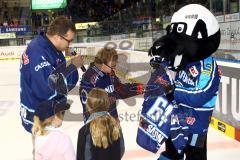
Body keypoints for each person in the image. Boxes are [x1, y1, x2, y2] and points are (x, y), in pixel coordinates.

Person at [20, 16, 83, 156]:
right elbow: (48, 88)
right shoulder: (37, 53)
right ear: (58, 36)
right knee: (47, 152)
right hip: (41, 117)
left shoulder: (52, 48)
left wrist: (70, 64)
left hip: (49, 115)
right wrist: (72, 66)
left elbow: (65, 81)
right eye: (69, 40)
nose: (70, 45)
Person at [79, 47, 144, 122]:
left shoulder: (108, 73)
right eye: (113, 65)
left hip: (110, 123)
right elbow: (93, 107)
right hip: (98, 126)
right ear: (102, 63)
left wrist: (142, 88)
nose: (115, 68)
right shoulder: (92, 80)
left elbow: (120, 90)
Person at [77, 88, 124, 160]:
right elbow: (121, 150)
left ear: (88, 105)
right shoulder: (116, 126)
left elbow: (82, 157)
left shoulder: (84, 131)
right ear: (107, 104)